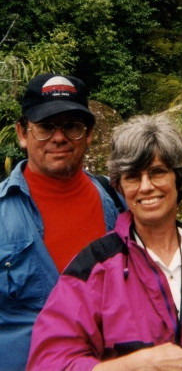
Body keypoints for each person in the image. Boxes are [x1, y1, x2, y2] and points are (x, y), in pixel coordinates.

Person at [27, 114, 182, 371]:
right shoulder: (95, 269)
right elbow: (46, 363)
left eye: (157, 172)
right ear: (120, 186)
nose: (146, 187)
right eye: (133, 176)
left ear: (179, 178)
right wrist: (137, 365)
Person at [0, 73, 124, 371]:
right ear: (22, 133)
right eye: (45, 127)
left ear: (89, 133)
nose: (59, 137)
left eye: (71, 126)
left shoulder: (120, 203)